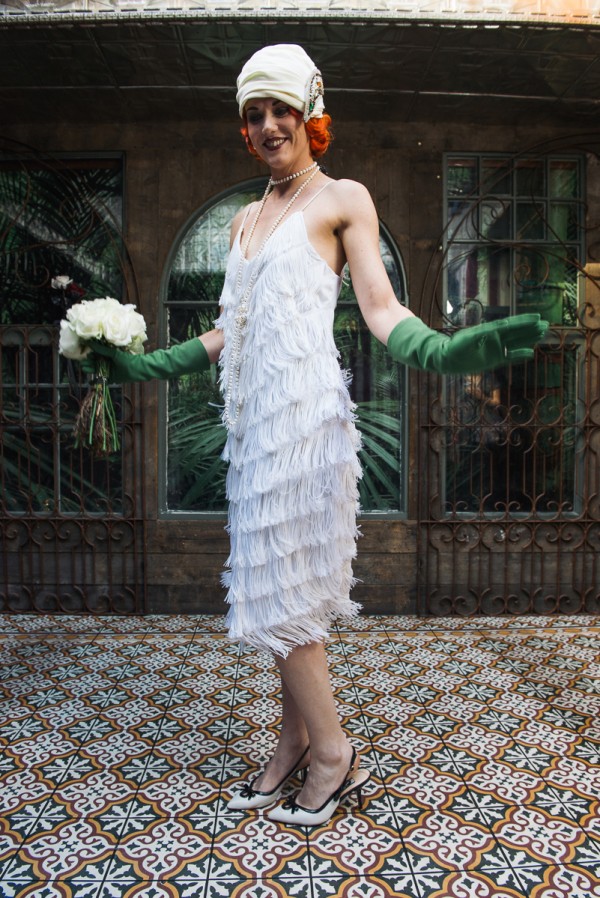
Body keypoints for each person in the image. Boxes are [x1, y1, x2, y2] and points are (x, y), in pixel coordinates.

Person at [83, 44, 548, 827]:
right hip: (254, 431)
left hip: (305, 424)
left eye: (280, 111)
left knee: (282, 595)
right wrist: (142, 365)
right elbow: (226, 333)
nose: (267, 126)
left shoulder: (343, 200)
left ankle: (333, 752)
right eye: (253, 115)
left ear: (311, 114)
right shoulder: (241, 220)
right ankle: (291, 741)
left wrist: (443, 350)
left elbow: (380, 310)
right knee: (277, 591)